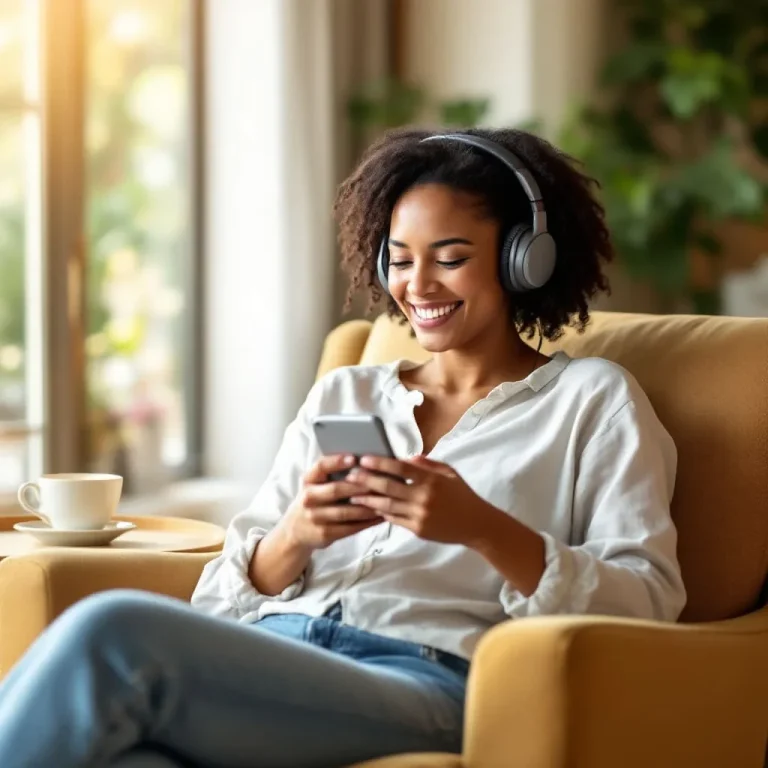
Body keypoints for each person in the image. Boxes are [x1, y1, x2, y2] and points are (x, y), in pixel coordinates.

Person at [0, 128, 686, 768]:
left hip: (427, 678)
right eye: (400, 259)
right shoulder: (347, 394)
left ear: (523, 260)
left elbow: (649, 601)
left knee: (114, 631)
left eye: (450, 258)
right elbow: (218, 599)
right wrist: (296, 535)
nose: (418, 285)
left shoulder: (593, 401)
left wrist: (482, 529)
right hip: (273, 653)